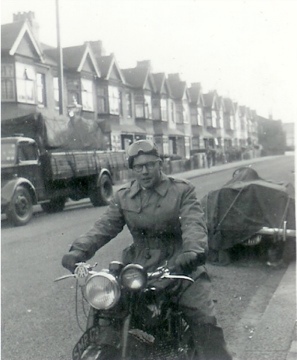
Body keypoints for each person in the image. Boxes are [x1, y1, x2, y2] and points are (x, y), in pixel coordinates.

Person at [62, 140, 232, 360]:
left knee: (203, 318)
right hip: (137, 267)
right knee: (105, 309)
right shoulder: (123, 197)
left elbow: (193, 223)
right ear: (132, 169)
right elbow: (104, 227)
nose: (145, 171)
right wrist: (78, 251)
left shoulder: (182, 191)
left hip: (179, 264)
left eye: (150, 165)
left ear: (159, 164)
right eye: (138, 167)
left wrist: (192, 251)